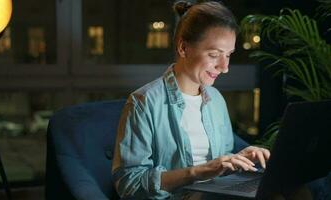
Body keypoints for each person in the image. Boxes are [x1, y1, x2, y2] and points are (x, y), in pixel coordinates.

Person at [112, 1, 270, 199]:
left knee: (290, 189)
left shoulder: (216, 100)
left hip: (215, 196)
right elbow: (129, 185)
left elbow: (221, 166)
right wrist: (198, 171)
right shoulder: (143, 102)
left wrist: (240, 159)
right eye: (214, 55)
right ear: (184, 48)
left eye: (228, 55)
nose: (224, 67)